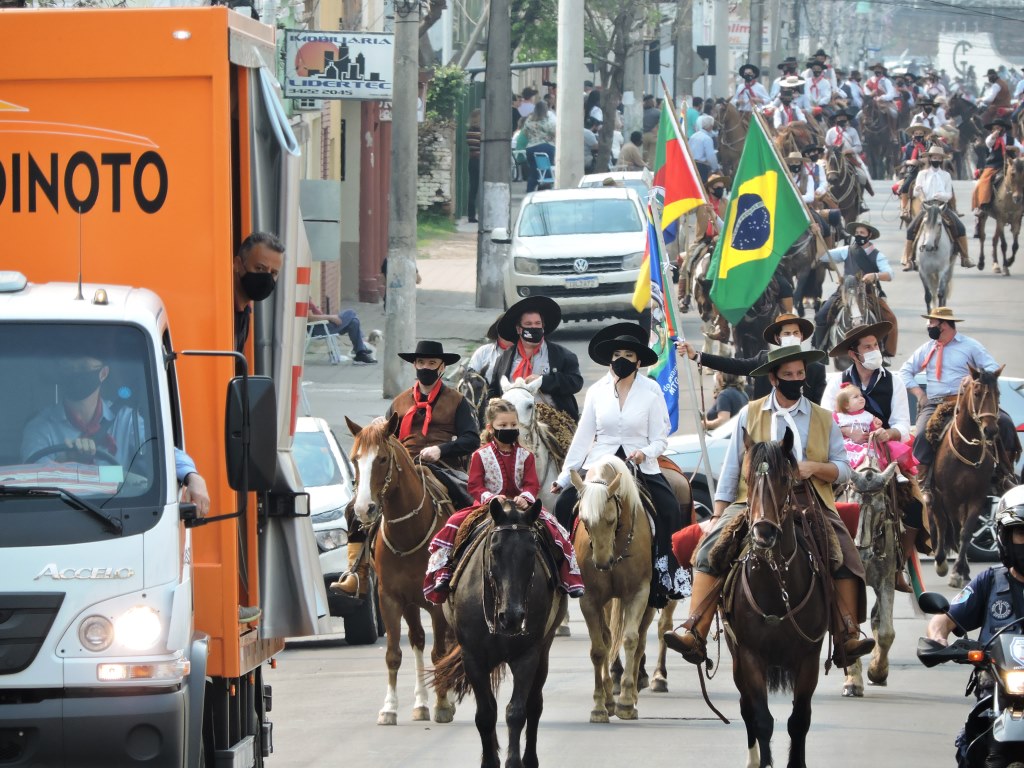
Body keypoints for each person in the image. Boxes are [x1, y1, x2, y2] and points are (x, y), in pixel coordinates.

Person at [663, 345, 874, 666]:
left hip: (809, 499)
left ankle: (846, 632)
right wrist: (719, 513)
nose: (795, 380)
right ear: (774, 379)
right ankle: (695, 628)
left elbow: (844, 467)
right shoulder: (750, 412)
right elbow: (733, 466)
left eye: (800, 374)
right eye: (788, 375)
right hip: (754, 499)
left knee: (843, 550)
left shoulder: (823, 418)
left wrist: (814, 468)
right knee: (710, 549)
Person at [551, 323, 689, 606]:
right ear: (610, 359)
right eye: (617, 354)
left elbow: (660, 438)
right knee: (563, 506)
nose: (622, 360)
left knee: (669, 508)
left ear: (638, 361)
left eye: (628, 355)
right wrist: (565, 477)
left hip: (641, 466)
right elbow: (583, 437)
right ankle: (565, 571)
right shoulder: (596, 391)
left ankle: (666, 574)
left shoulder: (651, 390)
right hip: (600, 465)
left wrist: (643, 452)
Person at [333, 340, 480, 599]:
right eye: (421, 363)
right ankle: (358, 572)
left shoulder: (457, 401)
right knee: (355, 507)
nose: (425, 367)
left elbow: (472, 439)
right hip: (402, 466)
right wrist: (377, 428)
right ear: (415, 365)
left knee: (469, 502)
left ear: (442, 367)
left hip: (442, 466)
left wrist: (441, 450)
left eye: (431, 363)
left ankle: (471, 566)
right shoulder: (400, 402)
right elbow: (386, 440)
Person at [422, 398, 584, 604]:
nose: (509, 429)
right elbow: (474, 485)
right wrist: (490, 498)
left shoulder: (527, 456)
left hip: (520, 507)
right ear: (491, 428)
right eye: (503, 425)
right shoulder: (481, 455)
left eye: (513, 425)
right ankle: (445, 571)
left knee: (555, 528)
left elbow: (531, 483)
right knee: (454, 524)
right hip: (487, 507)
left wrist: (526, 497)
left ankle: (566, 577)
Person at [22, 349, 211, 518]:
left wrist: (192, 476)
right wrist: (66, 459)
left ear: (103, 373)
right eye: (70, 369)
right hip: (57, 516)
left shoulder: (126, 420)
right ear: (61, 375)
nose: (76, 375)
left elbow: (160, 451)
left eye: (83, 368)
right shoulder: (40, 426)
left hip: (118, 517)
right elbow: (32, 479)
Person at [822, 322, 922, 593]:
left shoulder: (895, 382)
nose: (874, 350)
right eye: (867, 347)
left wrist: (888, 433)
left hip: (884, 455)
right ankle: (822, 561)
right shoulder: (836, 382)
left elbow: (903, 423)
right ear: (853, 354)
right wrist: (847, 432)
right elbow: (823, 421)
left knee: (915, 504)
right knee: (814, 501)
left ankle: (899, 565)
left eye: (875, 345)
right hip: (843, 454)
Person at [927, 487, 1024, 766]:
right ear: (1005, 537)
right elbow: (943, 620)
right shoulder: (990, 582)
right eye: (1022, 533)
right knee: (971, 746)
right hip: (998, 695)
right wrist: (938, 639)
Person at [900, 307, 1019, 498]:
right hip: (936, 403)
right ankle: (924, 484)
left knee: (1004, 423)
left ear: (944, 325)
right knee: (921, 433)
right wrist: (919, 394)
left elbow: (992, 367)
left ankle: (1004, 473)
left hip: (967, 402)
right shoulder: (927, 348)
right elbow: (905, 371)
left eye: (932, 323)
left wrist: (974, 379)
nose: (928, 327)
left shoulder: (970, 345)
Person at [676, 313, 828, 404]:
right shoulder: (764, 360)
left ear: (802, 336)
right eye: (787, 334)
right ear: (778, 337)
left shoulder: (816, 368)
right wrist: (697, 356)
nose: (792, 337)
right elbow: (732, 365)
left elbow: (819, 405)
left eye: (796, 333)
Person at [487, 296, 583, 422]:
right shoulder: (504, 358)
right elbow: (493, 391)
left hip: (551, 421)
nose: (534, 327)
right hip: (512, 423)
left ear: (543, 326)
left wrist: (543, 381)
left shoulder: (563, 355)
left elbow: (575, 382)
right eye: (528, 324)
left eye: (537, 324)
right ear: (519, 329)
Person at [813, 222, 899, 357]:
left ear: (869, 235)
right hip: (844, 292)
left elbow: (889, 275)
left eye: (862, 233)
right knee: (821, 316)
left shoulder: (877, 255)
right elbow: (824, 256)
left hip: (867, 293)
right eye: (857, 233)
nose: (859, 236)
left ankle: (885, 351)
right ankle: (820, 350)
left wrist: (875, 275)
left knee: (890, 318)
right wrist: (818, 235)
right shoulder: (846, 250)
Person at [904, 144, 974, 271]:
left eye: (938, 157)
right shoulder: (922, 174)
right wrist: (918, 190)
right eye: (933, 157)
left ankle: (965, 257)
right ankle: (908, 259)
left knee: (960, 227)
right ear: (929, 159)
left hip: (942, 207)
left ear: (942, 160)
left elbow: (949, 195)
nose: (936, 159)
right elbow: (915, 192)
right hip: (926, 206)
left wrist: (942, 196)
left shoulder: (946, 175)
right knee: (910, 229)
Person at [833, 382, 916, 475]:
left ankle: (898, 474)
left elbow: (873, 429)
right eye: (856, 397)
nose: (861, 398)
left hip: (868, 443)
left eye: (861, 395)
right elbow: (828, 429)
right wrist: (845, 432)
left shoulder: (867, 415)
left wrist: (877, 427)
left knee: (885, 450)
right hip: (847, 444)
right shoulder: (838, 416)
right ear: (846, 405)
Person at [234, 231, 285, 355]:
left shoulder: (244, 311)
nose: (266, 277)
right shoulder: (223, 312)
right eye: (260, 268)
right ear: (238, 264)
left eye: (273, 273)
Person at [972, 118, 1022, 217]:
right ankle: (982, 204)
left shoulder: (1011, 139)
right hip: (994, 165)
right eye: (995, 128)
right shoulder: (991, 138)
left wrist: (1014, 148)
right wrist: (994, 136)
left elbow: (1021, 148)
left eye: (999, 127)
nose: (997, 129)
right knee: (983, 181)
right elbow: (988, 143)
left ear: (1003, 128)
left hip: (1010, 164)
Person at [307, 301, 377, 364]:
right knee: (350, 313)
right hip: (317, 329)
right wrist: (330, 317)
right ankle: (362, 344)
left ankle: (360, 353)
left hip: (324, 325)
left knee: (354, 322)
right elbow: (309, 317)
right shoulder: (304, 299)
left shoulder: (307, 298)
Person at [522, 100, 556, 193]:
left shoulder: (529, 119)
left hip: (531, 148)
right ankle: (546, 190)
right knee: (547, 170)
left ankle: (530, 190)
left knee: (533, 171)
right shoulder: (547, 120)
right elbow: (554, 131)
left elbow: (524, 132)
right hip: (546, 146)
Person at [467, 314, 512, 380]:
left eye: (511, 328)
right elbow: (470, 376)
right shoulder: (483, 351)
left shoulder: (527, 354)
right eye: (504, 328)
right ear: (497, 330)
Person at [690, 115, 720, 182]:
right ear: (711, 127)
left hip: (691, 165)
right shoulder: (707, 139)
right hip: (702, 167)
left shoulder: (693, 136)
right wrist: (715, 168)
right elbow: (710, 156)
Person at [466, 108, 482, 223]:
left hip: (472, 160)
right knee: (483, 187)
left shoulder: (469, 132)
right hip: (480, 160)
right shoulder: (480, 132)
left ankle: (471, 215)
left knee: (473, 188)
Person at [641, 94, 661, 164]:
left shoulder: (641, 112)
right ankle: (652, 172)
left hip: (643, 136)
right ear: (652, 102)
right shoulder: (658, 112)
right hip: (653, 136)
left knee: (643, 155)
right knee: (652, 156)